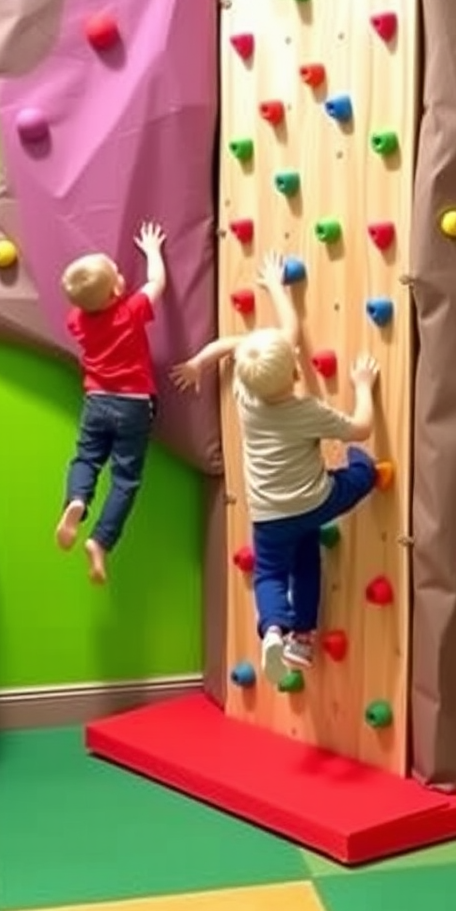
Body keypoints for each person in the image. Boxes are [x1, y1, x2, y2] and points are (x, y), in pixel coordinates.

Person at [171, 250, 380, 683]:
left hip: (268, 514)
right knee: (360, 474)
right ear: (294, 371)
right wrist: (362, 388)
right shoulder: (305, 410)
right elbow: (359, 428)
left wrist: (199, 363)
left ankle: (276, 630)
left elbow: (238, 346)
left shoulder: (247, 399)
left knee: (272, 572)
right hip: (314, 501)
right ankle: (301, 636)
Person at [55, 222, 166, 583]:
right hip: (132, 406)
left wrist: (104, 287)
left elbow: (91, 301)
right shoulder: (129, 311)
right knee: (125, 478)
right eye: (117, 274)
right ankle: (101, 540)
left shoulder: (76, 321)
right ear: (115, 291)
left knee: (87, 458)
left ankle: (77, 500)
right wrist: (152, 253)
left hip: (97, 401)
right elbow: (157, 284)